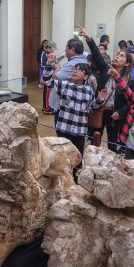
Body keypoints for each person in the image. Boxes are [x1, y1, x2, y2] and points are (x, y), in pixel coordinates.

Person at [43, 52, 104, 180]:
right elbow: (47, 81)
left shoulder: (89, 90)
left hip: (80, 131)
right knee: (61, 159)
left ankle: (76, 185)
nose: (75, 71)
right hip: (64, 129)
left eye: (79, 70)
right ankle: (61, 183)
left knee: (77, 160)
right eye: (74, 69)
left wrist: (99, 100)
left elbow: (92, 107)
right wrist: (49, 64)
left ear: (85, 75)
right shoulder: (64, 85)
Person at [78, 26, 134, 152]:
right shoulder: (106, 69)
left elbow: (131, 102)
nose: (117, 57)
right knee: (94, 139)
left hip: (114, 114)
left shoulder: (129, 81)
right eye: (117, 55)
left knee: (112, 143)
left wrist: (119, 113)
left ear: (126, 63)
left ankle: (111, 167)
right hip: (99, 109)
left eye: (121, 56)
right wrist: (89, 38)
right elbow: (97, 55)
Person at [48, 38, 88, 126]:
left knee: (62, 135)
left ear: (72, 50)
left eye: (66, 47)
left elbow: (56, 78)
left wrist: (57, 68)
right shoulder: (84, 59)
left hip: (64, 105)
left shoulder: (72, 63)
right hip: (75, 106)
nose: (65, 50)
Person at [42, 41, 57, 115]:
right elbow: (46, 65)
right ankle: (48, 108)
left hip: (49, 76)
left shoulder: (49, 55)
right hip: (48, 76)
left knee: (47, 92)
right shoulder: (47, 55)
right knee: (48, 93)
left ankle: (46, 107)